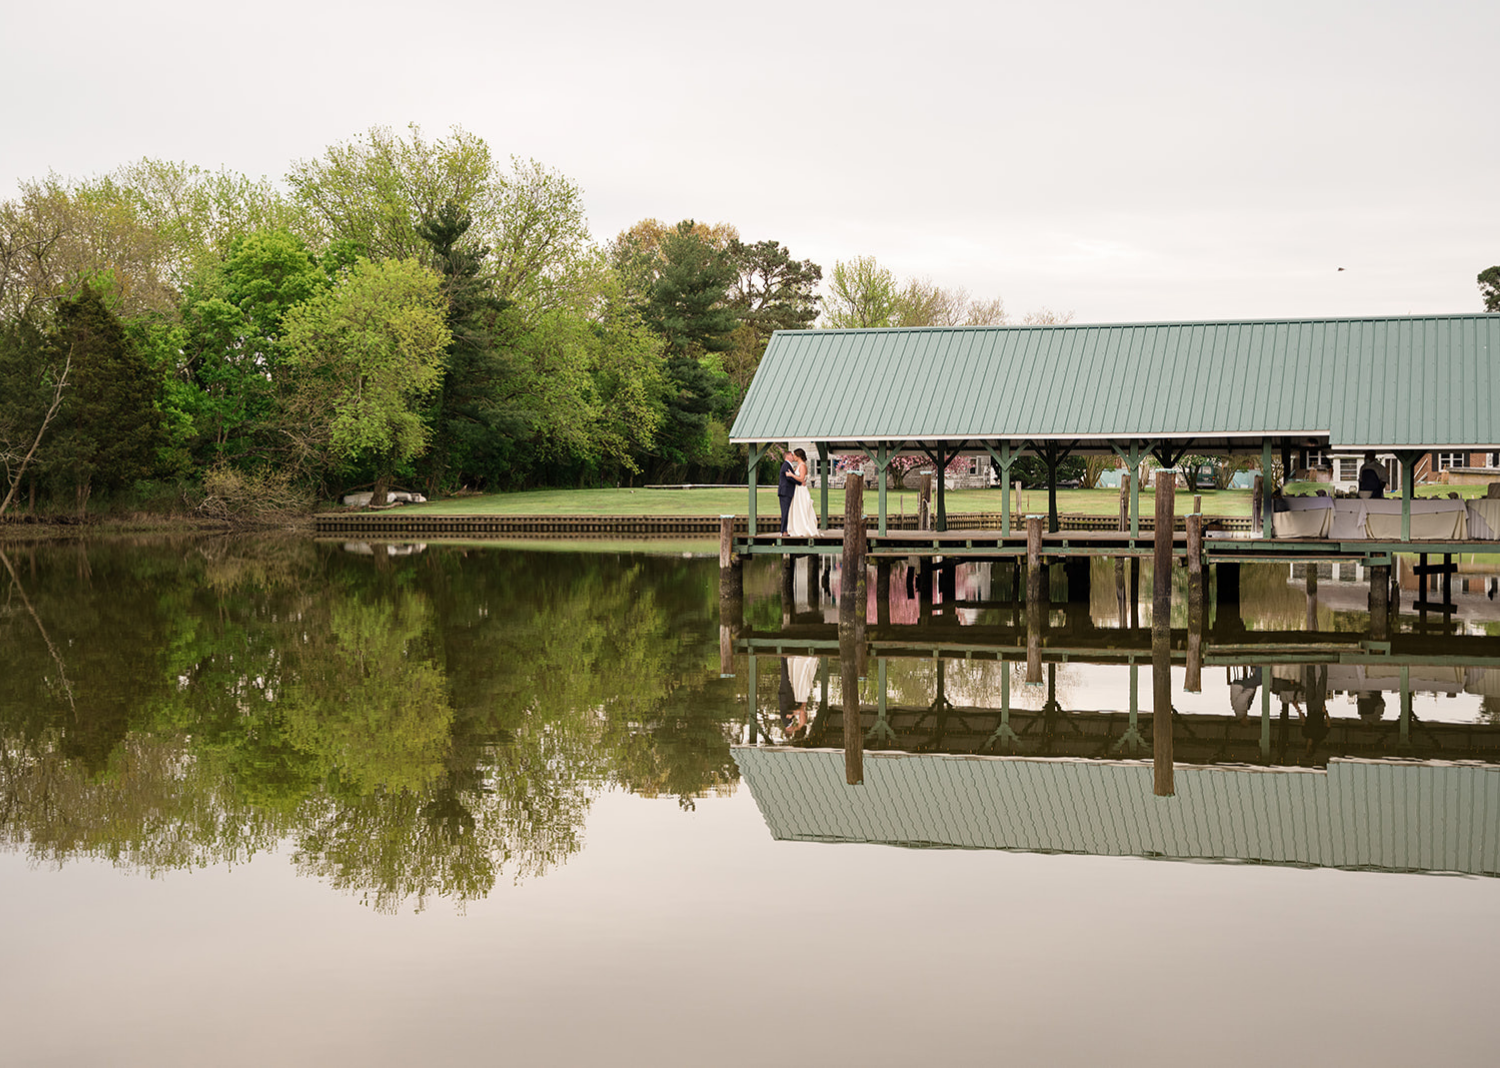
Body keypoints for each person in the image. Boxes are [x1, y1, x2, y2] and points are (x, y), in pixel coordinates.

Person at [787, 448, 820, 537]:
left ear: (798, 456)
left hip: (801, 489)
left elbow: (801, 479)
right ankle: (797, 527)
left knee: (802, 508)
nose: (793, 457)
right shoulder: (798, 465)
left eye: (794, 455)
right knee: (797, 508)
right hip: (797, 489)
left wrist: (791, 475)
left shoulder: (802, 466)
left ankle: (804, 528)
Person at [776, 447, 798, 536]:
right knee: (785, 511)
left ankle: (785, 529)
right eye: (792, 455)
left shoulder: (788, 465)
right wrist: (799, 482)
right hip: (785, 492)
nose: (793, 456)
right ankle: (783, 531)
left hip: (787, 492)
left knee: (787, 510)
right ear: (788, 456)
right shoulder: (786, 465)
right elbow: (789, 478)